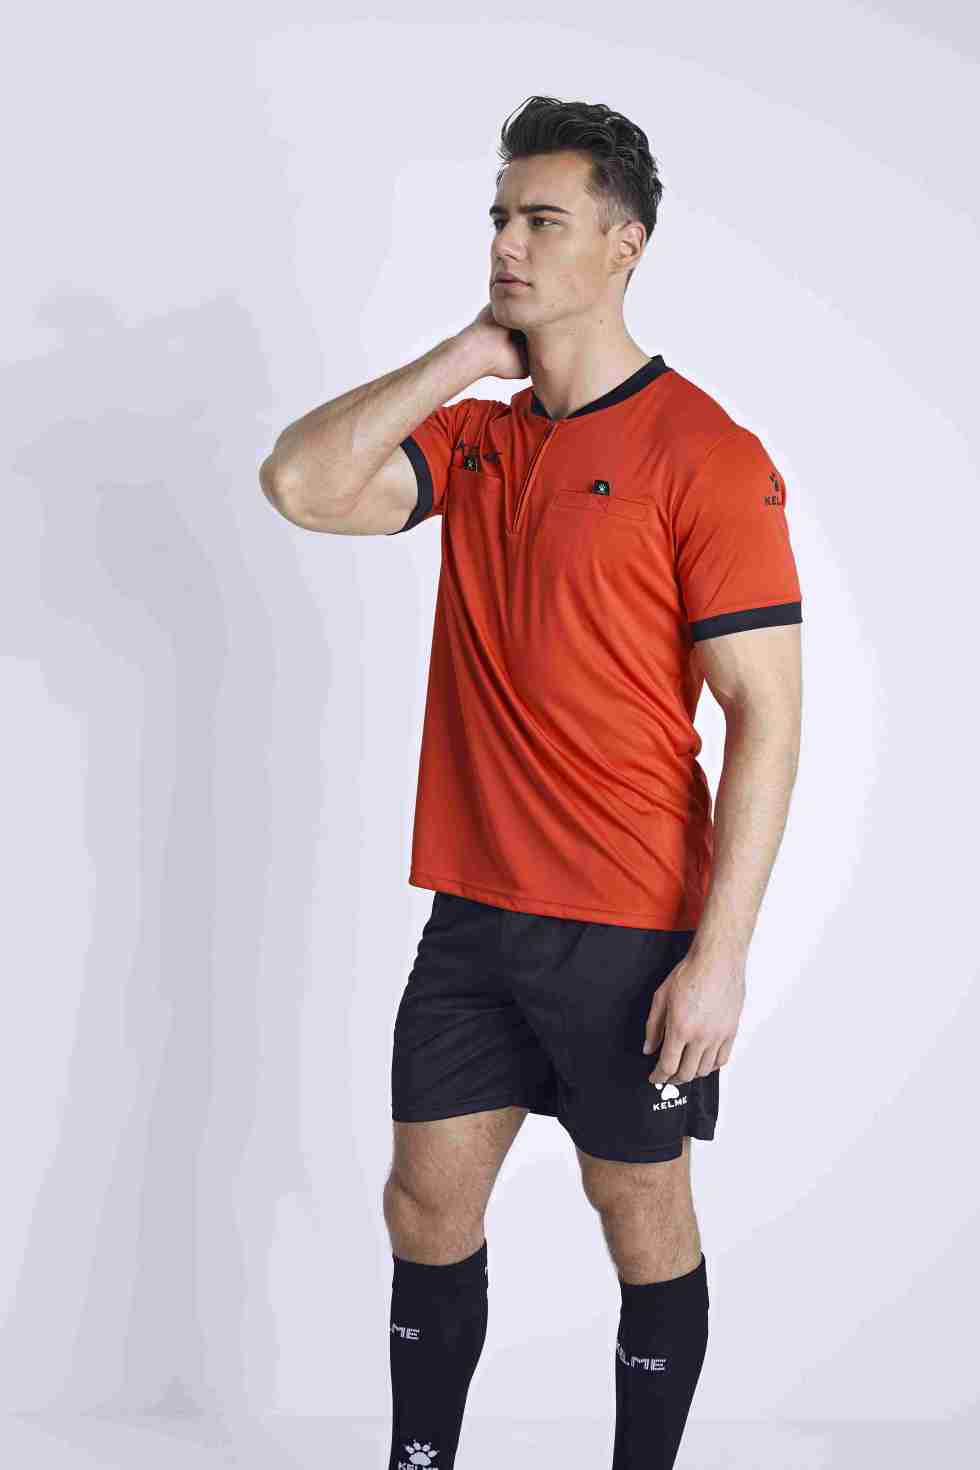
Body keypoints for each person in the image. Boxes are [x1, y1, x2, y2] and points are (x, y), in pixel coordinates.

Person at [260, 94, 803, 1470]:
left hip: (629, 923)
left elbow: (767, 716)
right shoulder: (482, 439)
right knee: (423, 1208)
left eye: (542, 221)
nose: (507, 242)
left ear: (625, 245)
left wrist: (720, 956)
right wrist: (462, 357)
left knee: (642, 1218)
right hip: (473, 918)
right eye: (500, 217)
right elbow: (301, 485)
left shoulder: (706, 454)